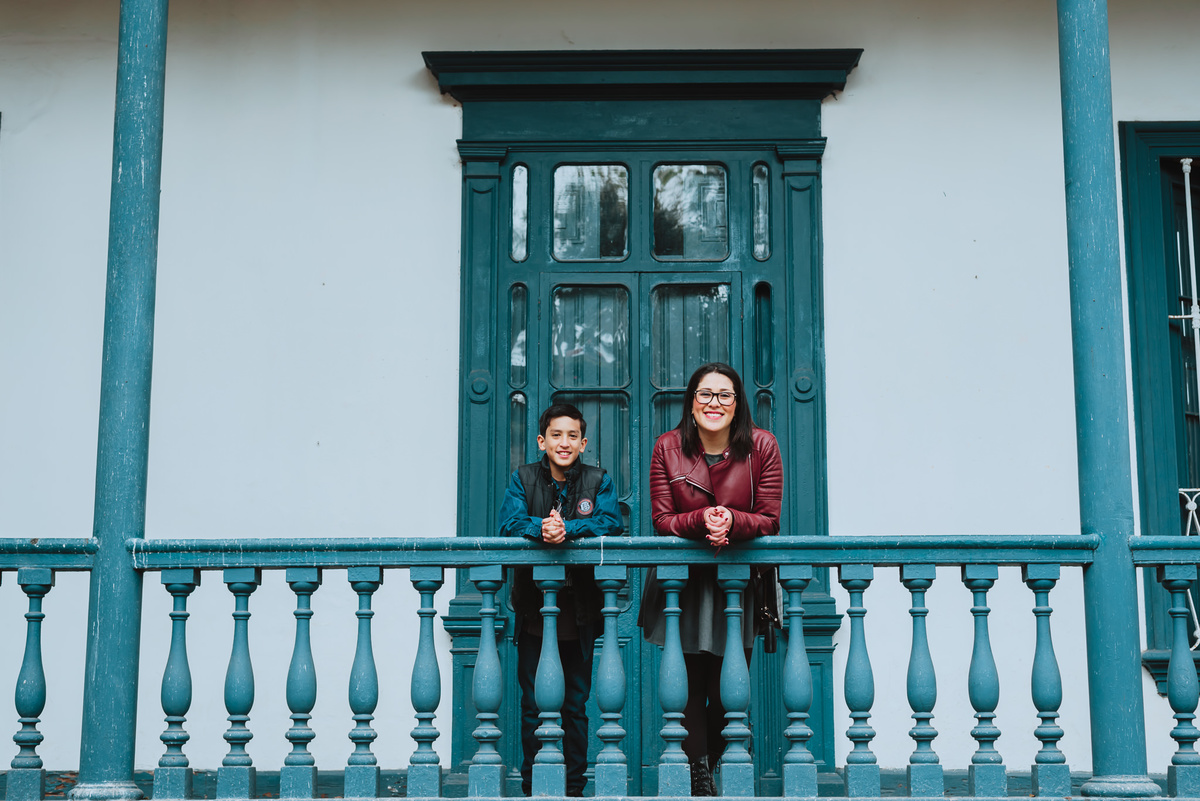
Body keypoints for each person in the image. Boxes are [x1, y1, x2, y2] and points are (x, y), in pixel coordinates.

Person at [637, 363, 783, 796]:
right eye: (705, 394)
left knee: (727, 689)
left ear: (737, 404)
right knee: (688, 688)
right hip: (683, 585)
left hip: (737, 582)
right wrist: (703, 520)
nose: (714, 403)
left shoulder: (763, 446)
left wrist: (733, 521)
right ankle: (700, 777)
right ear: (691, 402)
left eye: (724, 395)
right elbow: (662, 520)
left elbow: (769, 518)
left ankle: (716, 761)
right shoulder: (667, 447)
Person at [498, 402, 624, 797]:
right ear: (542, 441)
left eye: (572, 436)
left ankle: (573, 788)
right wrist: (542, 528)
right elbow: (509, 522)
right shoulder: (523, 478)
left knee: (574, 704)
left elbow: (611, 522)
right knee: (533, 705)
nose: (564, 442)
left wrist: (568, 528)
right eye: (556, 435)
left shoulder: (598, 480)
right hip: (534, 612)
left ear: (583, 443)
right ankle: (533, 786)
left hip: (580, 613)